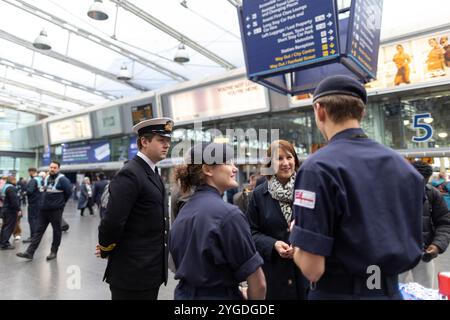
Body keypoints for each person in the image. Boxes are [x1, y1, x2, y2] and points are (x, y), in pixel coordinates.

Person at [290, 75, 424, 300]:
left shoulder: (318, 167)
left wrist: (296, 234)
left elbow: (312, 269)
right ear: (361, 113)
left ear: (319, 110)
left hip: (340, 293)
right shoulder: (404, 167)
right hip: (390, 291)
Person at [169, 142, 266, 300]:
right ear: (207, 169)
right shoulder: (229, 215)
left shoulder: (183, 213)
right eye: (228, 162)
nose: (234, 168)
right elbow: (258, 283)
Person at [96, 118, 174, 300]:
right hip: (132, 273)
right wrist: (106, 247)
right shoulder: (131, 173)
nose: (167, 145)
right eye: (161, 140)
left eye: (168, 141)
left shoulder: (151, 172)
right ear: (144, 142)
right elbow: (113, 220)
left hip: (149, 271)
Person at [247, 140, 307, 300]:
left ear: (295, 160)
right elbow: (251, 233)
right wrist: (273, 244)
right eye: (279, 158)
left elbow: (321, 227)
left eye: (289, 157)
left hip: (306, 274)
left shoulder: (308, 189)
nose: (286, 163)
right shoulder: (258, 195)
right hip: (273, 276)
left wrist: (301, 244)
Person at [399, 161, 450, 288]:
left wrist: (437, 245)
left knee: (426, 292)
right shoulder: (393, 193)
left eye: (424, 181)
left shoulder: (433, 193)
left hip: (424, 254)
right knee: (392, 292)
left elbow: (445, 222)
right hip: (397, 255)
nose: (420, 185)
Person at [16, 161, 72, 261]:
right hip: (43, 210)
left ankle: (53, 251)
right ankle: (29, 252)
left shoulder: (63, 179)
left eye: (55, 167)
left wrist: (61, 203)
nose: (52, 169)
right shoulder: (46, 178)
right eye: (51, 167)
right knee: (38, 231)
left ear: (58, 169)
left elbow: (68, 192)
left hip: (56, 210)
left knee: (56, 231)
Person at [0, 175, 21, 250]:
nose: (16, 181)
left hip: (4, 209)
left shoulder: (4, 187)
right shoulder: (11, 188)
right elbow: (14, 201)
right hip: (10, 211)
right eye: (15, 180)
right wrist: (18, 209)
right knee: (9, 227)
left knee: (4, 226)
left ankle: (2, 242)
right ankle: (5, 244)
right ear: (12, 180)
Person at [23, 168, 43, 243]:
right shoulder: (40, 179)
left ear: (31, 172)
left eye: (29, 172)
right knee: (37, 220)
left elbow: (30, 191)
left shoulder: (33, 180)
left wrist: (24, 193)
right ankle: (36, 236)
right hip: (39, 201)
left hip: (33, 203)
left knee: (32, 220)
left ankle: (33, 237)